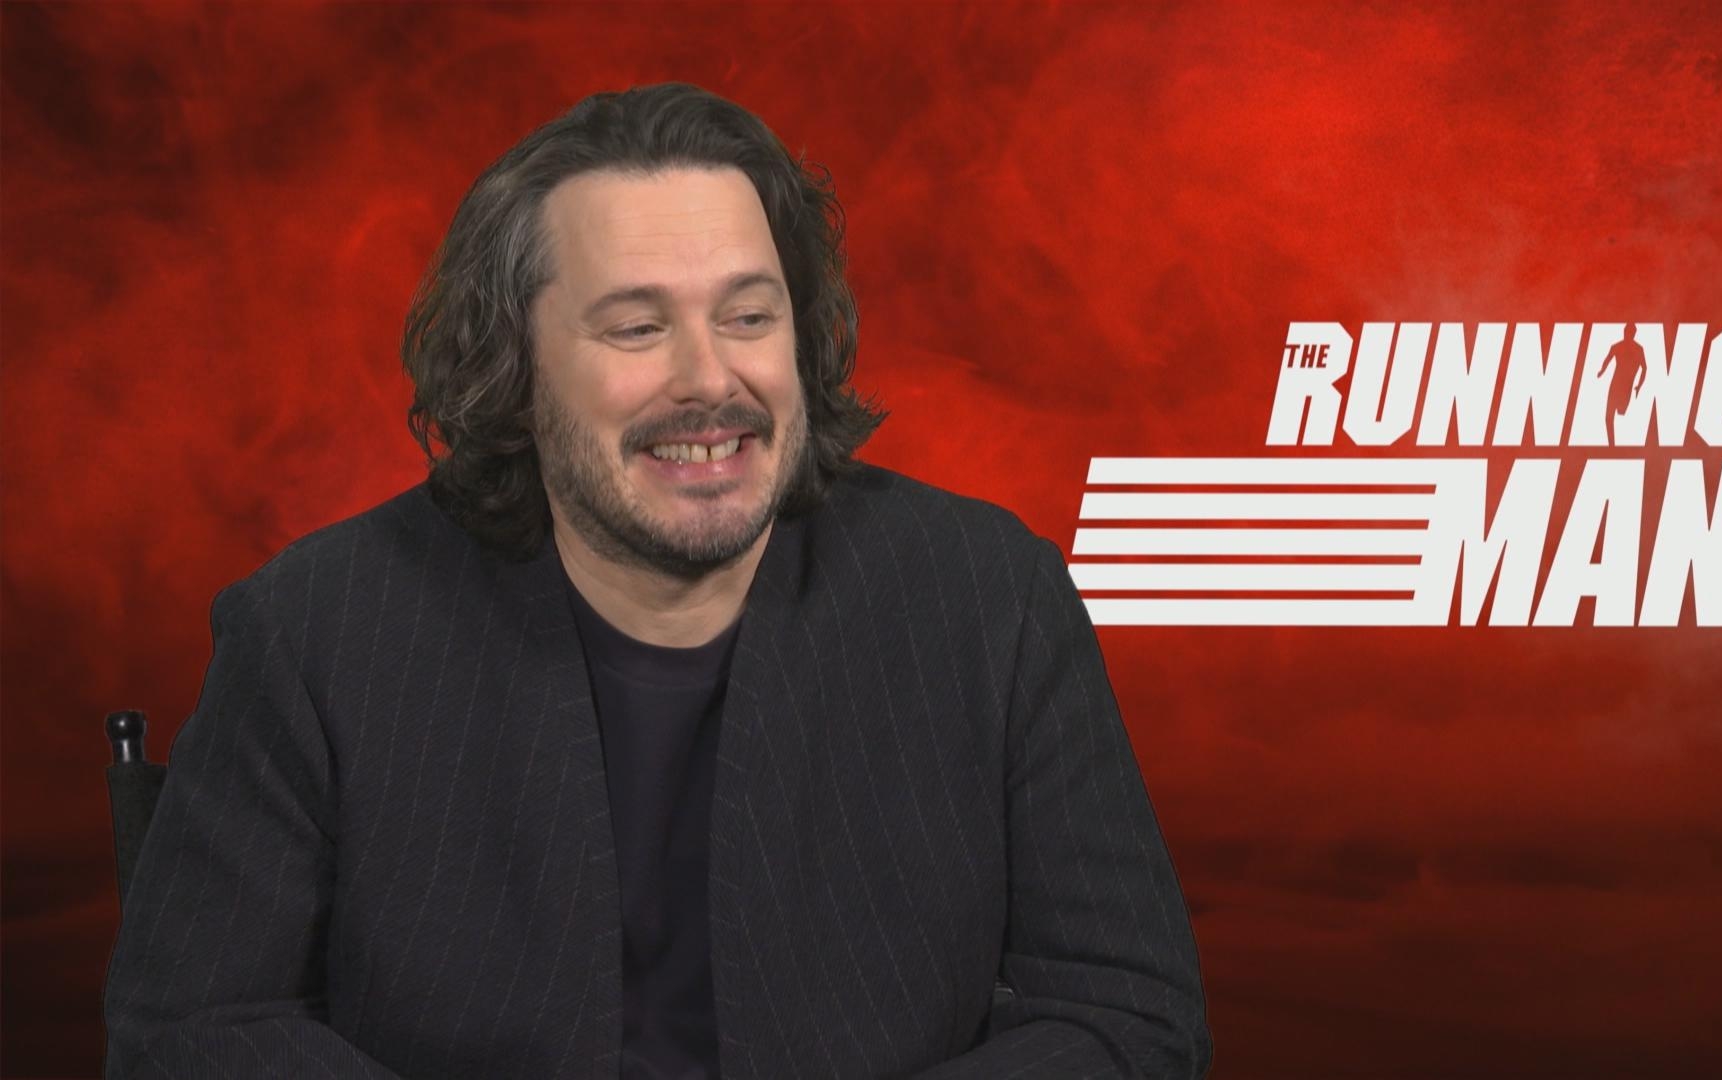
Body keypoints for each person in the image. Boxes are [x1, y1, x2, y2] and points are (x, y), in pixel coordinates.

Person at [102, 83, 1210, 1078]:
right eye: (637, 327)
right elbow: (192, 1028)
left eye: (748, 316)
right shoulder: (312, 631)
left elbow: (1128, 1014)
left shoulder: (991, 597)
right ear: (517, 369)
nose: (708, 378)